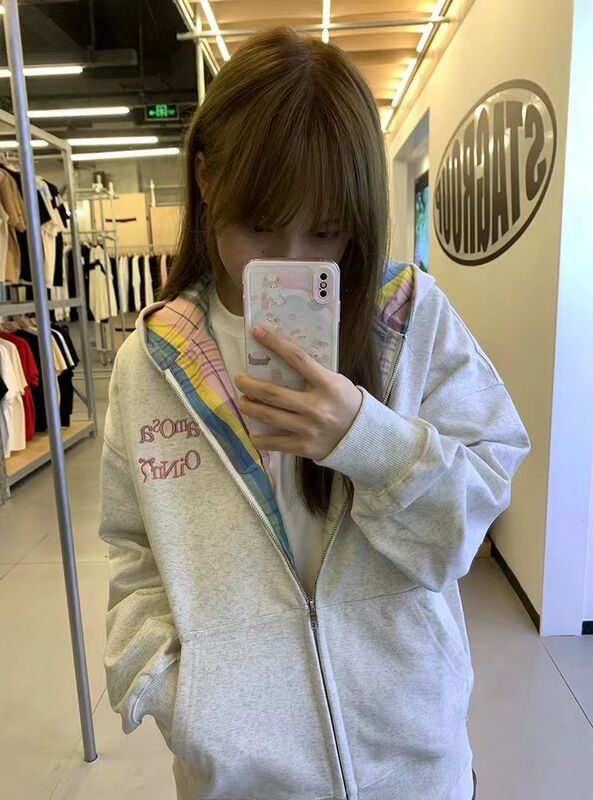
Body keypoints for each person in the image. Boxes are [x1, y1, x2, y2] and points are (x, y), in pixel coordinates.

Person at [98, 28, 530, 800]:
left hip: (411, 765)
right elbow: (131, 551)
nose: (290, 258)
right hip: (239, 778)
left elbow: (472, 514)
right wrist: (176, 692)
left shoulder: (409, 322)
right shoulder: (152, 362)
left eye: (325, 230)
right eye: (259, 224)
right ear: (207, 180)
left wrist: (365, 438)